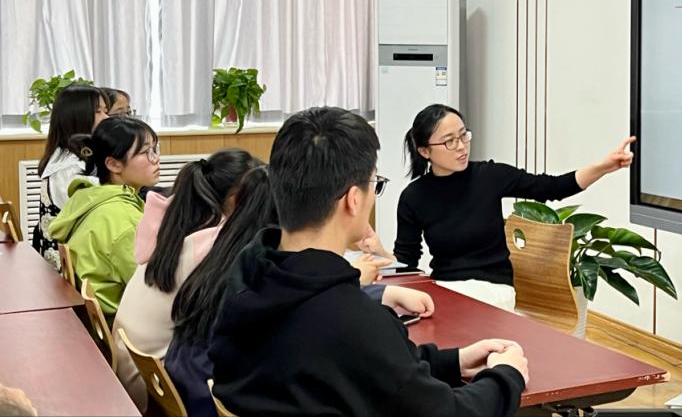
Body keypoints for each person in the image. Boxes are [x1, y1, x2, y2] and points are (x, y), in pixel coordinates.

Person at [209, 107, 528, 416]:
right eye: (375, 184)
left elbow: (378, 368)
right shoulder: (352, 318)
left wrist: (454, 361)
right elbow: (448, 411)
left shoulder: (247, 275)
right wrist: (506, 375)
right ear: (353, 199)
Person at [165, 166, 433, 417]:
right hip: (207, 399)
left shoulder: (235, 260)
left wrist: (379, 293)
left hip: (197, 393)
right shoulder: (254, 277)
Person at [395, 104, 634, 310]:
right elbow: (406, 261)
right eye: (450, 141)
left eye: (463, 135)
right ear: (425, 151)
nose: (461, 146)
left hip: (493, 288)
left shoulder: (489, 176)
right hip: (445, 287)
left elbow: (551, 187)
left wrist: (603, 167)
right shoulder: (413, 197)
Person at [113, 148, 261, 410]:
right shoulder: (213, 245)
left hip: (133, 372)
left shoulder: (178, 224)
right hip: (152, 388)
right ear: (238, 199)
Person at [48, 116, 161, 317]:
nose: (156, 159)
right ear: (114, 164)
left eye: (155, 149)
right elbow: (155, 289)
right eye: (145, 152)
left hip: (103, 320)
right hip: (123, 324)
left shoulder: (90, 197)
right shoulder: (124, 221)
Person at [34, 84, 109, 267]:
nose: (106, 118)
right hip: (69, 271)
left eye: (106, 111)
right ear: (77, 118)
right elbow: (97, 222)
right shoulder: (70, 170)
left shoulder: (68, 157)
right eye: (98, 111)